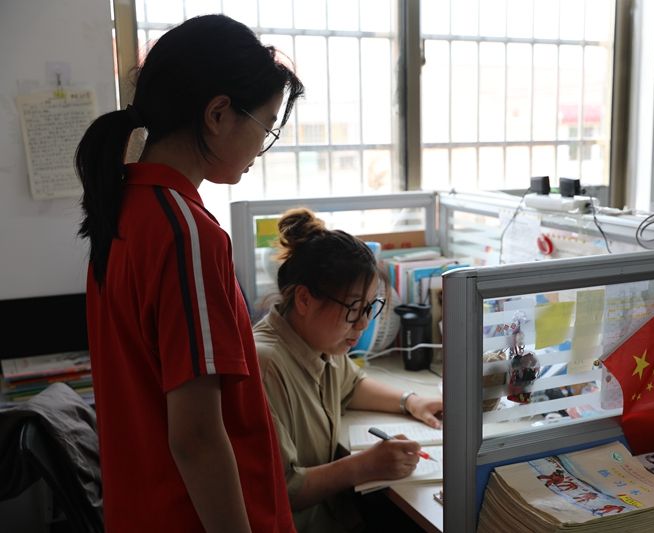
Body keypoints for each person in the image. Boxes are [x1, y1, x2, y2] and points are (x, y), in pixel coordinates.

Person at [75, 15, 304, 532]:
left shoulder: (126, 209)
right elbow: (197, 437)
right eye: (266, 125)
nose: (261, 147)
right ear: (218, 114)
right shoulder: (186, 234)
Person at [253, 208, 443, 532]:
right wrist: (364, 466)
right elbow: (282, 490)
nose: (364, 323)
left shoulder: (320, 341)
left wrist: (411, 401)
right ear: (304, 299)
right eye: (353, 309)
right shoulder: (266, 366)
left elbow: (352, 385)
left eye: (369, 307)